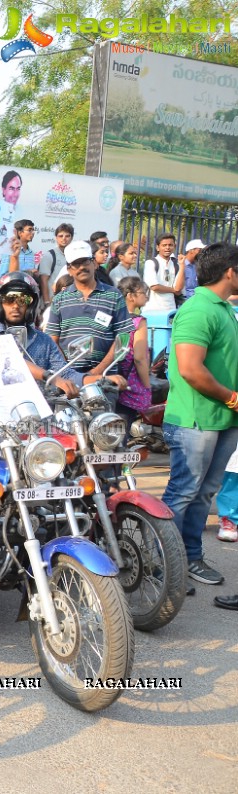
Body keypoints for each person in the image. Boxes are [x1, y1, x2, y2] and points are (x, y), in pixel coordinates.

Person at [160, 242, 238, 588]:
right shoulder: (198, 309)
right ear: (230, 272)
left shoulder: (223, 308)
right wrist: (232, 397)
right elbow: (191, 369)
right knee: (183, 493)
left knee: (204, 494)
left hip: (222, 419)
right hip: (196, 420)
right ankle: (164, 567)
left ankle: (190, 558)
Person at [0, 272, 101, 395]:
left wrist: (101, 379)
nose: (16, 306)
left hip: (40, 411)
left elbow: (65, 373)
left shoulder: (44, 341)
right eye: (9, 299)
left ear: (31, 305)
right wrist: (51, 377)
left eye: (23, 299)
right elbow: (10, 362)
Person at [46, 241, 132, 375]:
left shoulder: (114, 295)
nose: (81, 267)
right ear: (69, 269)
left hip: (106, 376)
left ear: (94, 264)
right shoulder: (59, 299)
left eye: (85, 262)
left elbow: (123, 336)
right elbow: (52, 341)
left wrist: (98, 371)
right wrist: (68, 373)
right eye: (76, 264)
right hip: (69, 379)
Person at [109, 276, 153, 424]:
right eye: (142, 293)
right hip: (129, 385)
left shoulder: (112, 317)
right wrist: (147, 386)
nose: (146, 296)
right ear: (130, 296)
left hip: (109, 378)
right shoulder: (138, 322)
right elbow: (140, 359)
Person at [143, 233, 180, 316]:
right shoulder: (151, 263)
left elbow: (179, 289)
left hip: (171, 309)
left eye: (170, 245)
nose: (167, 247)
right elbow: (154, 287)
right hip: (152, 309)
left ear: (174, 246)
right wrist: (174, 290)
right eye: (164, 245)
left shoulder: (176, 265)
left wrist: (183, 266)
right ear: (157, 247)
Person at [37, 223, 75, 303]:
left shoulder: (75, 257)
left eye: (67, 236)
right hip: (51, 301)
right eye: (60, 236)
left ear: (71, 238)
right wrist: (46, 302)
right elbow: (44, 281)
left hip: (68, 301)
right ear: (56, 238)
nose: (64, 239)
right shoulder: (49, 255)